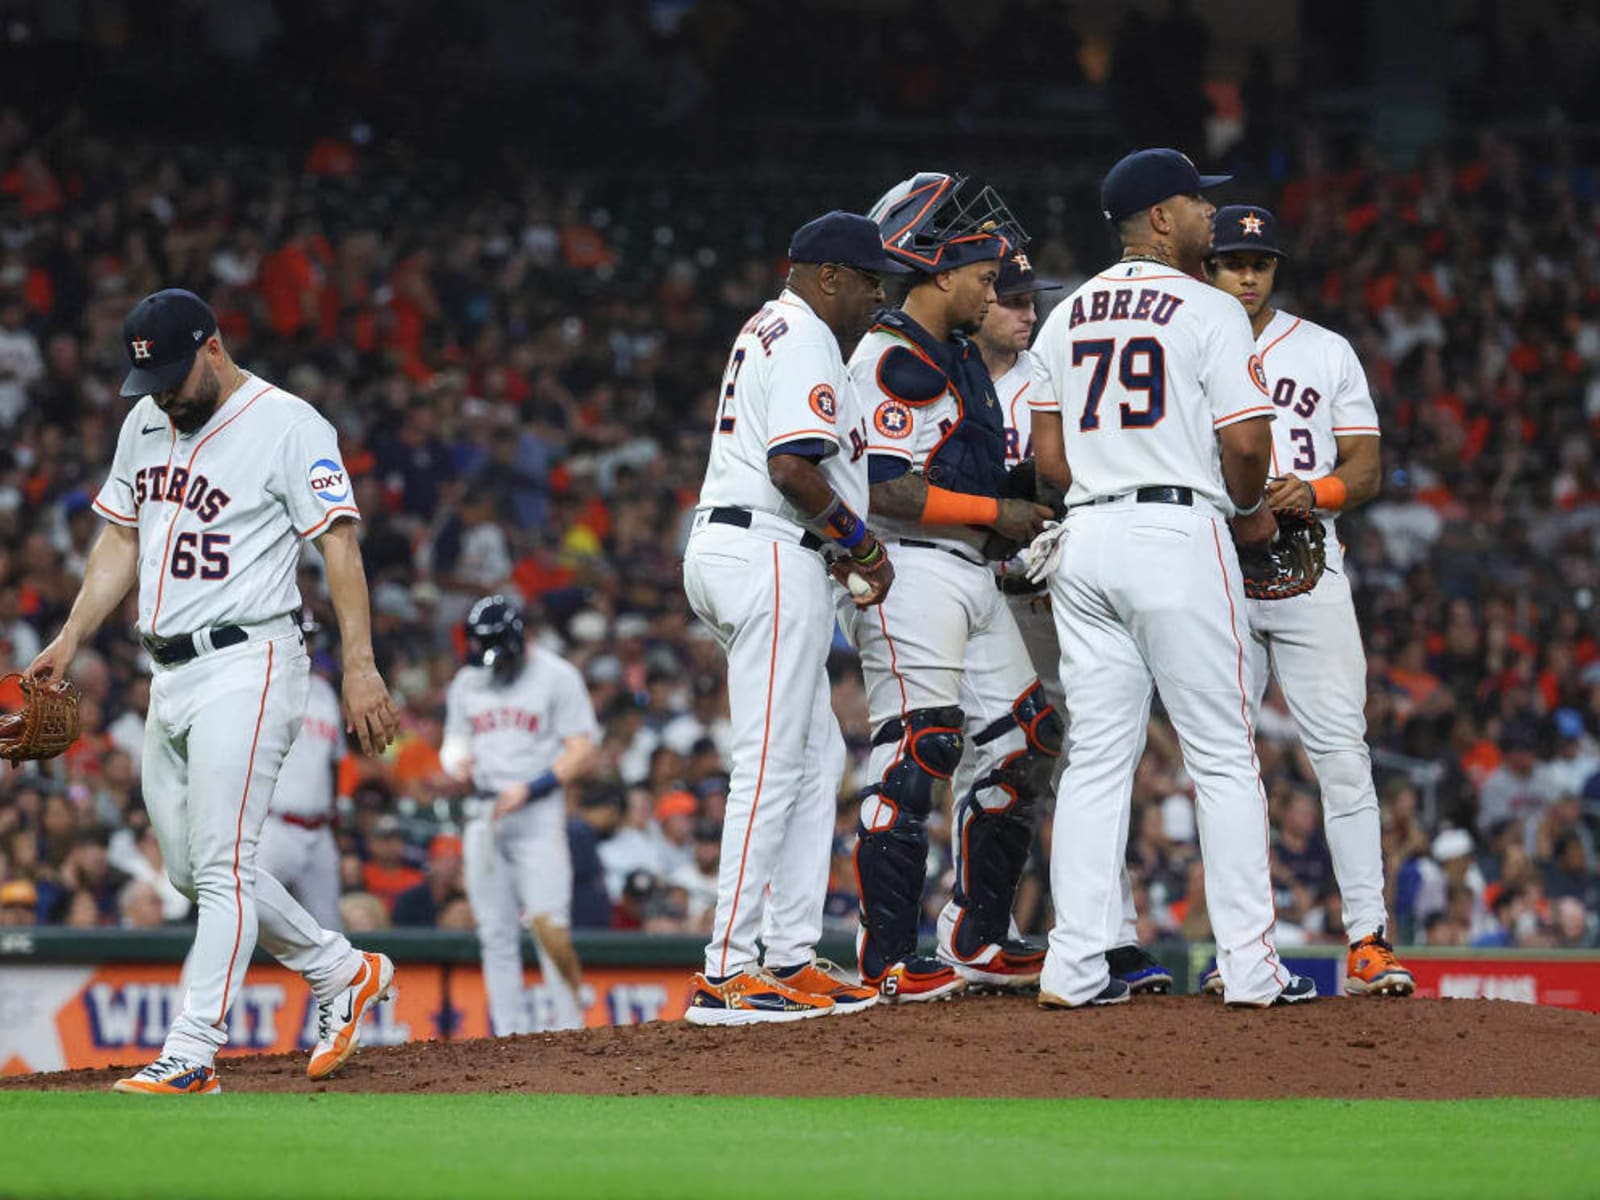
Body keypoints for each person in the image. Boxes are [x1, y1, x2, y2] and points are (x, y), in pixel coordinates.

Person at [30, 287, 401, 1094]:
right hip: (166, 671)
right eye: (147, 379)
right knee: (192, 873)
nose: (161, 392)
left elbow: (339, 547)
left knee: (223, 867)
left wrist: (362, 663)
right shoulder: (145, 421)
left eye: (171, 372)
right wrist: (70, 635)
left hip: (252, 659)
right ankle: (344, 971)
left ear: (213, 346)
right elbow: (120, 537)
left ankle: (194, 1050)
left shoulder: (290, 425)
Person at [1028, 149, 1316, 1008]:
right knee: (1225, 757)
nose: (1209, 216)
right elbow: (1248, 443)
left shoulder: (1064, 312)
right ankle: (1253, 970)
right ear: (1160, 218)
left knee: (1095, 766)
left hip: (1086, 536)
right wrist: (1248, 512)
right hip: (1178, 529)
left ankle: (1073, 967)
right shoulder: (1210, 308)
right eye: (1196, 201)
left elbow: (1047, 459)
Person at [844, 174, 1058, 1002]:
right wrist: (999, 508)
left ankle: (978, 935)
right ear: (938, 276)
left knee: (1024, 738)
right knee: (918, 750)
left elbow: (961, 464)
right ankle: (887, 953)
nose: (993, 284)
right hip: (906, 565)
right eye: (981, 272)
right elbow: (888, 487)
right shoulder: (891, 354)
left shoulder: (959, 353)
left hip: (969, 570)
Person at [682, 211, 897, 1025]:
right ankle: (727, 969)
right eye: (870, 278)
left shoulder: (775, 326)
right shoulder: (805, 331)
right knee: (773, 759)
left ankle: (790, 955)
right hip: (768, 547)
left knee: (814, 753)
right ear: (828, 275)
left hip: (750, 547)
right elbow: (792, 468)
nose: (879, 293)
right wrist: (862, 546)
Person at [1202, 204, 1414, 996]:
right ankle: (1242, 954)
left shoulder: (1325, 350)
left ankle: (1367, 939)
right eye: (1231, 261)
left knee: (1343, 757)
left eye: (1260, 262)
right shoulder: (1186, 340)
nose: (1248, 275)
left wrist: (1314, 489)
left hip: (1311, 566)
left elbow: (1365, 467)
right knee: (1226, 763)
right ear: (1208, 267)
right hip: (1214, 569)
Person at [965, 240, 1175, 995]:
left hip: (1052, 603)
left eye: (1032, 301)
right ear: (976, 299)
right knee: (977, 763)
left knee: (1090, 761)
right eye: (1013, 300)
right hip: (969, 596)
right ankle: (971, 932)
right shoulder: (946, 378)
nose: (1028, 313)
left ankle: (1104, 936)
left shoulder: (1055, 371)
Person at [440, 594, 600, 1034]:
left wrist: (532, 787)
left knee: (550, 924)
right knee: (494, 933)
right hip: (485, 811)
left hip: (537, 812)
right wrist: (456, 762)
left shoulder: (556, 676)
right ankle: (507, 1033)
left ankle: (568, 1026)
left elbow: (583, 750)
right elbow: (454, 740)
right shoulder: (467, 682)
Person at [256, 652, 346, 929]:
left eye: (311, 638)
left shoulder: (325, 693)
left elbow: (335, 761)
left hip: (319, 832)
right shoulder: (262, 686)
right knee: (247, 913)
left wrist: (336, 810)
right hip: (273, 824)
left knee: (330, 927)